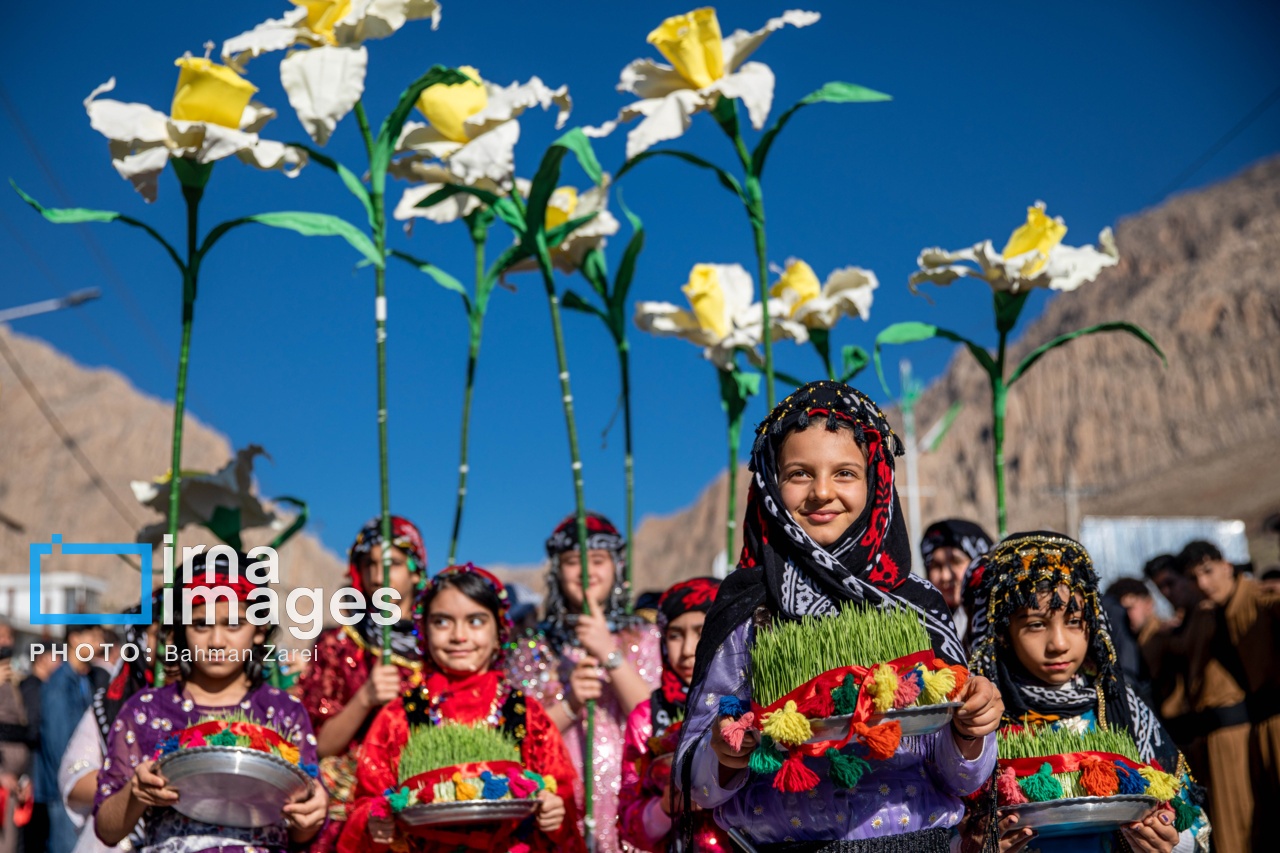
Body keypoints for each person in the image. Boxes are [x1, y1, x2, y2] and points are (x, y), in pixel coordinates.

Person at [677, 381, 1003, 851]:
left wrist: (971, 730)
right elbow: (697, 785)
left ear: (877, 482)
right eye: (799, 474)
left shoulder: (919, 606)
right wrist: (725, 753)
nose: (822, 492)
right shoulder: (749, 608)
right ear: (769, 483)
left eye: (845, 473)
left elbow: (962, 777)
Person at [964, 532, 1208, 853]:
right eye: (1036, 624)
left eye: (1074, 621)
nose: (1059, 644)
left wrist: (1170, 842)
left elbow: (1193, 822)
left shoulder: (1119, 705)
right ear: (1003, 632)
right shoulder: (980, 715)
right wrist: (971, 845)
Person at [339, 563, 584, 853]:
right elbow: (365, 803)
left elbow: (563, 801)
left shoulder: (526, 714)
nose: (459, 636)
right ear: (424, 631)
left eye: (476, 621)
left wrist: (554, 813)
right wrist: (374, 821)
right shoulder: (398, 717)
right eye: (442, 622)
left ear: (499, 632)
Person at [92, 550, 328, 851]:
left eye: (233, 624)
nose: (217, 642)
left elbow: (302, 832)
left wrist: (311, 814)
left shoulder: (284, 712)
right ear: (180, 628)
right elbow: (107, 830)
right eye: (201, 624)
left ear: (260, 630)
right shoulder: (146, 710)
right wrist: (135, 793)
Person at [509, 512, 660, 853]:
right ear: (557, 571)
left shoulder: (646, 636)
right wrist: (570, 702)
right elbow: (517, 739)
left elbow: (657, 724)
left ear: (617, 567)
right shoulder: (533, 648)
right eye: (573, 562)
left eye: (598, 560)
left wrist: (610, 653)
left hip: (632, 808)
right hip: (557, 811)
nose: (587, 572)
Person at [297, 515, 428, 852]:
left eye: (391, 563)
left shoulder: (441, 648)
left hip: (424, 805)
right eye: (369, 563)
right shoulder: (337, 645)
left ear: (416, 571)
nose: (378, 574)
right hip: (349, 808)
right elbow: (318, 745)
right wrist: (365, 698)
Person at [1175, 540, 1280, 853]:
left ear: (1227, 567)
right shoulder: (1207, 615)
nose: (1203, 583)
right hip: (1249, 730)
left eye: (1208, 571)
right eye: (1194, 578)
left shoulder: (1262, 599)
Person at [618, 577, 728, 852]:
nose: (687, 650)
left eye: (701, 632)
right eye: (675, 635)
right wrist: (664, 807)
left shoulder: (752, 702)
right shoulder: (648, 716)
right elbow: (629, 824)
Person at [59, 593, 170, 853]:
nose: (170, 645)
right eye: (161, 634)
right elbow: (72, 777)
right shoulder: (115, 705)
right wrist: (133, 783)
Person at [39, 623, 106, 853]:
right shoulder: (60, 684)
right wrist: (75, 780)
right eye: (94, 638)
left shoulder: (86, 679)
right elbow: (58, 744)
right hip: (64, 791)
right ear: (75, 639)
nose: (100, 645)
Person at [920, 519, 994, 637]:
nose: (945, 576)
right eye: (936, 565)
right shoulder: (922, 627)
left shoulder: (1001, 623)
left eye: (956, 561)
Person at [20, 644, 58, 853]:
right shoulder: (33, 688)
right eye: (56, 656)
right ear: (42, 658)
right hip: (33, 770)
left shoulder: (44, 686)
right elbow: (32, 730)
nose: (60, 661)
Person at [0, 622, 30, 853]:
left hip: (14, 781)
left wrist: (25, 777)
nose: (6, 642)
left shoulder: (15, 679)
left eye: (9, 637)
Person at [1103, 577, 1157, 707]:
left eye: (1129, 607)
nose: (1124, 616)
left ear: (1148, 604)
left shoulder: (1160, 638)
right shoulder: (1121, 643)